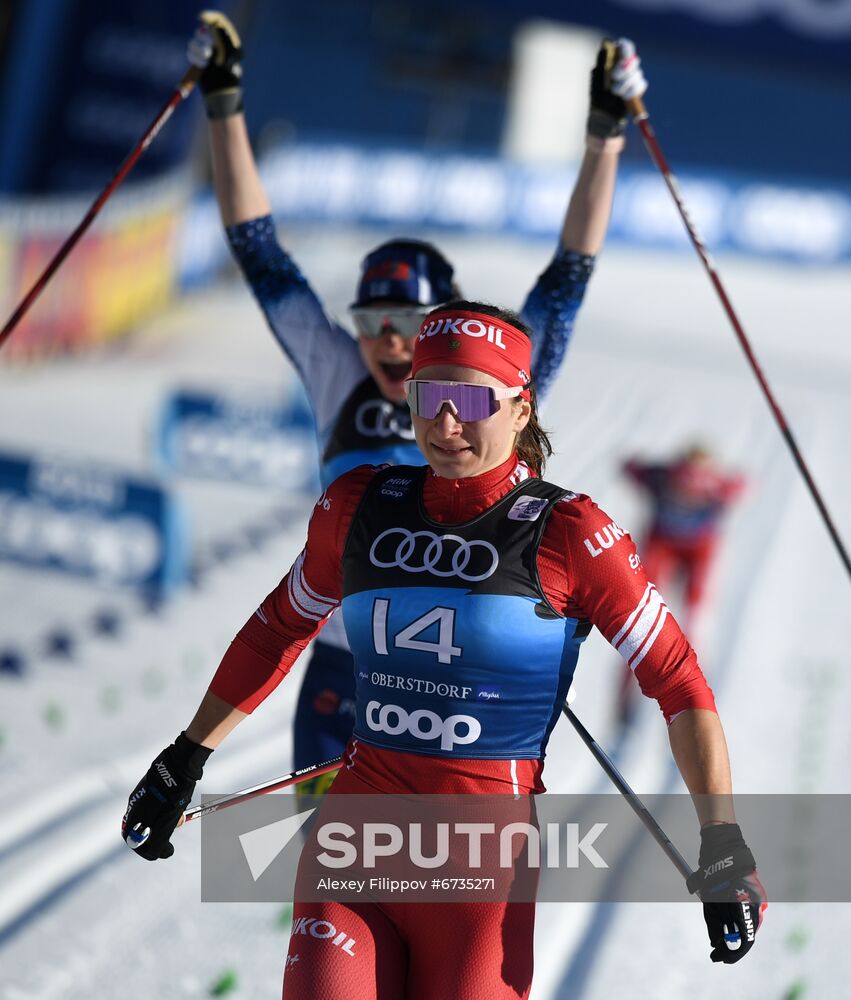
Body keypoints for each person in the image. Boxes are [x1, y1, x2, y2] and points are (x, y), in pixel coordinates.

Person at [122, 301, 765, 997]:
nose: (445, 423)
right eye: (428, 397)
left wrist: (723, 843)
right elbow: (278, 627)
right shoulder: (360, 506)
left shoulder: (570, 533)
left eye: (471, 400)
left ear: (520, 409)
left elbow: (679, 683)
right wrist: (184, 757)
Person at [187, 14, 648, 794]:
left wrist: (605, 135)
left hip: (458, 682)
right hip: (342, 664)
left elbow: (567, 274)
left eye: (407, 324)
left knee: (432, 858)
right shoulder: (338, 375)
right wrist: (224, 103)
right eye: (370, 324)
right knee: (330, 852)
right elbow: (259, 253)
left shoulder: (493, 376)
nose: (388, 344)